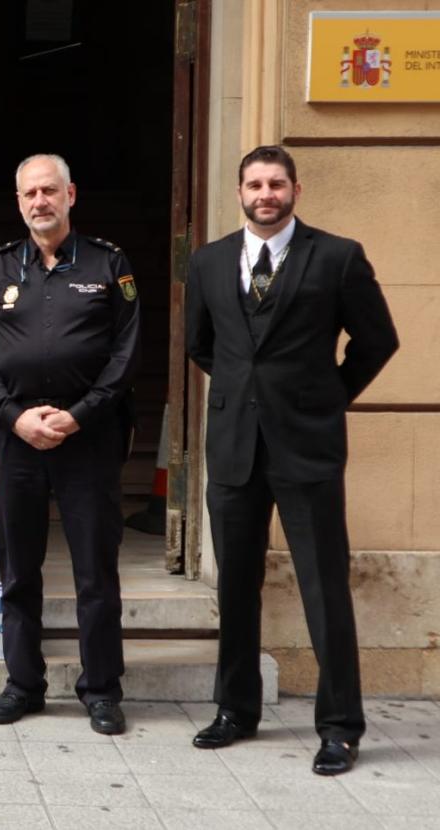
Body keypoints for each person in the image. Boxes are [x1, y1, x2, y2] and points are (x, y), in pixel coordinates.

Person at [186, 145, 397, 775]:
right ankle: (235, 710)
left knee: (324, 587)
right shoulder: (210, 261)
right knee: (237, 585)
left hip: (307, 447)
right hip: (233, 450)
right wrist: (244, 397)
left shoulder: (336, 256)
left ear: (296, 191)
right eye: (254, 184)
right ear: (240, 192)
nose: (265, 194)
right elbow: (203, 345)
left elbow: (377, 340)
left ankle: (340, 727)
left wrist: (325, 396)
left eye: (277, 183)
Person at [0, 154, 141, 735]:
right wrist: (14, 418)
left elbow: (125, 354)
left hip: (87, 440)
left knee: (95, 570)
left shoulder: (107, 263)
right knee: (19, 569)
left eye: (49, 191)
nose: (39, 202)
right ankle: (23, 683)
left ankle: (101, 689)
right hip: (16, 442)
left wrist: (78, 416)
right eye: (28, 194)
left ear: (71, 193)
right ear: (18, 202)